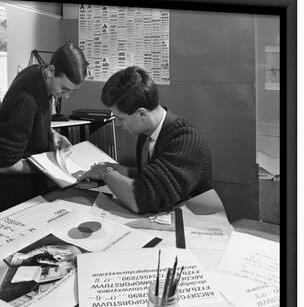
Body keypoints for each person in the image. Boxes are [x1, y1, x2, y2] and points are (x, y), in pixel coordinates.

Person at [0, 42, 89, 217]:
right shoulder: (26, 98)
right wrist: (50, 166)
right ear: (51, 71)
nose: (66, 96)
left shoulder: (39, 72)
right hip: (9, 201)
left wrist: (53, 134)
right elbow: (4, 166)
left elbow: (31, 122)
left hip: (30, 193)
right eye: (65, 89)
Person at [83, 66, 212, 214]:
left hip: (191, 225)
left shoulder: (187, 140)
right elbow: (153, 176)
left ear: (141, 114)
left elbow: (141, 200)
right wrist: (120, 169)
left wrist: (106, 173)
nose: (118, 124)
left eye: (120, 118)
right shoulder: (146, 133)